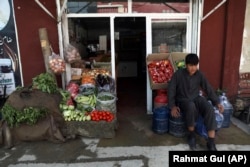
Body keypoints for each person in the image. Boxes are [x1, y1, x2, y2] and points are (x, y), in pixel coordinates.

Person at [167, 53, 224, 151]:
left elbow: (208, 88)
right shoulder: (178, 74)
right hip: (183, 100)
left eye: (195, 65)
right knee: (190, 106)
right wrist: (172, 106)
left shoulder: (199, 74)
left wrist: (217, 102)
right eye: (190, 65)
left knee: (209, 107)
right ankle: (191, 135)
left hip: (196, 98)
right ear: (186, 65)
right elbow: (171, 90)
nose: (193, 68)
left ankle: (211, 142)